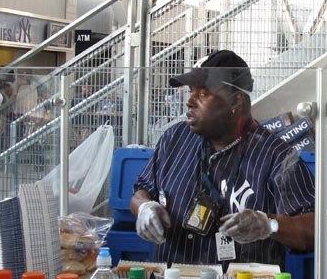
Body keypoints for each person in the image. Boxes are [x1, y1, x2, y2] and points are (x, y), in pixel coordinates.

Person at [130, 50, 315, 268]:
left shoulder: (278, 157)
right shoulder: (174, 138)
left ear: (235, 100)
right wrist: (144, 207)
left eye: (203, 93)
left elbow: (314, 230)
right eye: (191, 91)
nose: (189, 101)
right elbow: (142, 190)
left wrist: (269, 224)